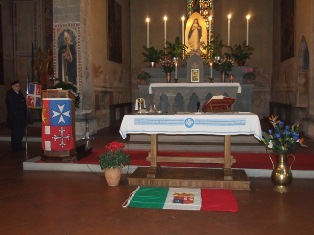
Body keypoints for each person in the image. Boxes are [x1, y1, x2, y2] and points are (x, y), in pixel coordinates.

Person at [5, 80, 27, 152]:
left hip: (21, 117)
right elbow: (13, 104)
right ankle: (15, 147)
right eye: (16, 86)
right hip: (14, 117)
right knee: (15, 133)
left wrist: (24, 102)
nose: (18, 87)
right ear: (12, 86)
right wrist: (22, 102)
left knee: (20, 132)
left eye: (19, 86)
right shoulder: (10, 93)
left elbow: (23, 102)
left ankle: (19, 145)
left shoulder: (20, 93)